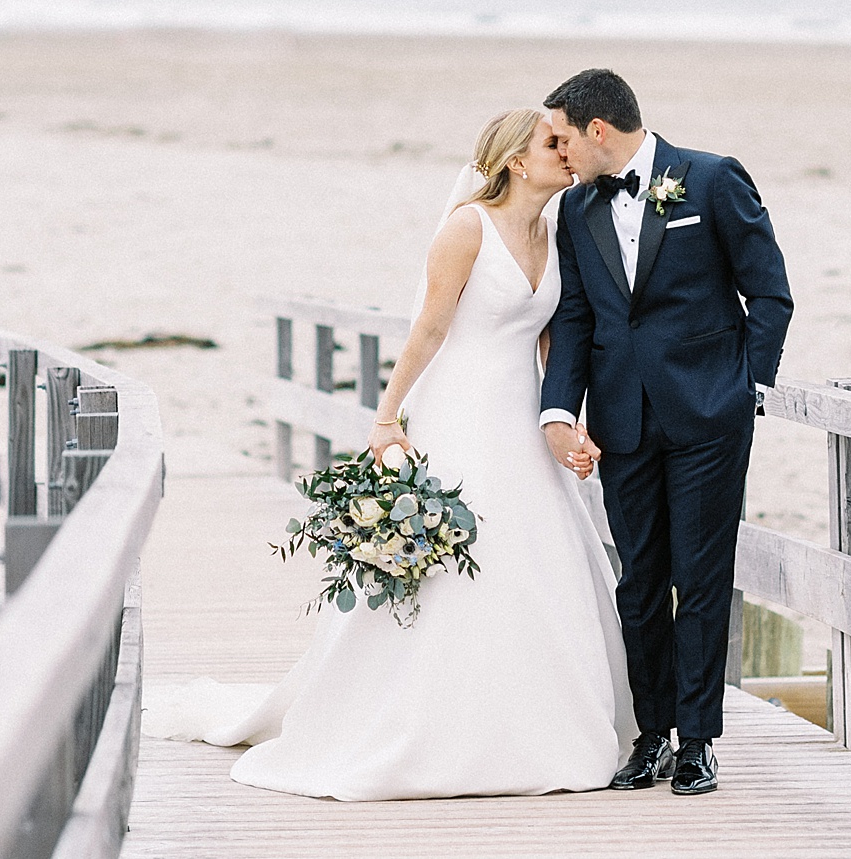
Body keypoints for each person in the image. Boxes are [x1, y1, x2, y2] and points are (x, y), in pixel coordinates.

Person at [142, 108, 635, 801]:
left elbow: (553, 342)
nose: (569, 151)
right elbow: (429, 326)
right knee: (459, 566)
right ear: (517, 162)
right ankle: (424, 728)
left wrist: (566, 423)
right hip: (458, 411)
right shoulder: (467, 227)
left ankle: (535, 727)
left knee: (538, 562)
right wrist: (386, 418)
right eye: (553, 142)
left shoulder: (558, 234)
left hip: (522, 418)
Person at [539, 69, 794, 795]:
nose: (558, 152)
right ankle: (650, 735)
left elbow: (769, 290)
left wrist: (744, 388)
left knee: (702, 579)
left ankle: (698, 740)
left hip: (708, 418)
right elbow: (578, 321)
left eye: (562, 137)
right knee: (640, 582)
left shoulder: (710, 180)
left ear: (597, 130)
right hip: (623, 421)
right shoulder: (575, 211)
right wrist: (560, 411)